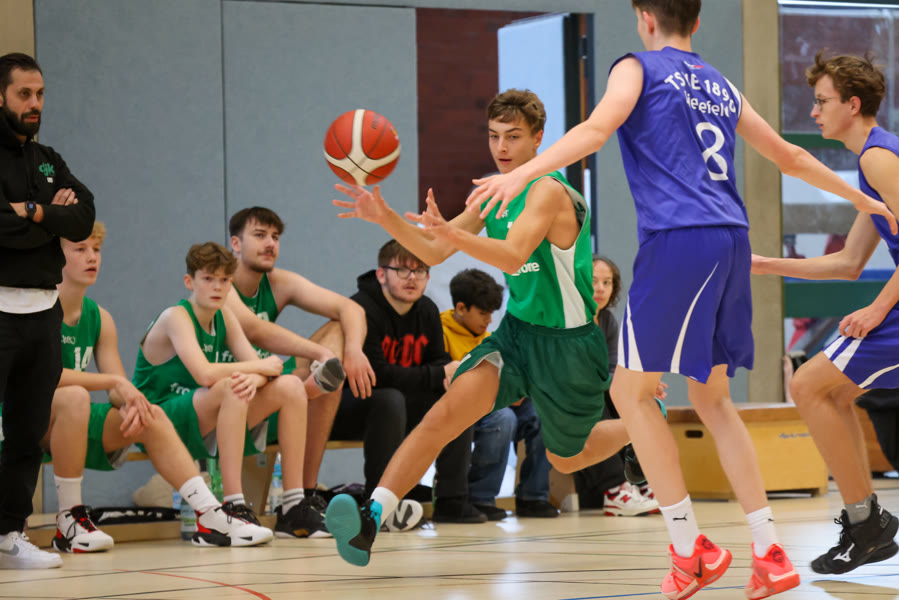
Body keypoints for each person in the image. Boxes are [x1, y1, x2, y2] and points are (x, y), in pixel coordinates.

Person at [464, 3, 897, 598]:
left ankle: (690, 550)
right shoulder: (719, 83)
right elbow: (788, 156)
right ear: (694, 21)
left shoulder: (636, 67)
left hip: (679, 238)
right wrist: (858, 197)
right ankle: (769, 552)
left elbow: (595, 130)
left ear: (644, 16)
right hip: (731, 237)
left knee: (630, 394)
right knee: (713, 398)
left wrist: (522, 173)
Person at [326, 88, 650, 568]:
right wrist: (385, 216)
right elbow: (434, 250)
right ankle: (371, 519)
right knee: (443, 416)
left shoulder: (548, 190)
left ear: (538, 139)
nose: (501, 147)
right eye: (494, 136)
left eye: (513, 136)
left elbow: (514, 254)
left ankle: (641, 425)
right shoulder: (493, 194)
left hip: (569, 344)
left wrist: (452, 235)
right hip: (517, 336)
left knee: (567, 457)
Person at [752, 51, 899, 575]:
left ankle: (867, 524)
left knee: (809, 386)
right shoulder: (871, 164)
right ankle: (866, 523)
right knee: (827, 391)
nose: (814, 112)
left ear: (852, 104)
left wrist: (878, 308)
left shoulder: (879, 158)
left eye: (821, 101)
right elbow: (848, 262)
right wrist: (764, 264)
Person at [34, 222, 243, 552]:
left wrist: (131, 402)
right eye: (80, 249)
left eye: (96, 249)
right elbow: (41, 377)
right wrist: (115, 383)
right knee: (74, 396)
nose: (92, 257)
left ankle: (210, 513)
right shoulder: (37, 308)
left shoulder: (100, 317)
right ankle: (69, 519)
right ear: (54, 255)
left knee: (150, 414)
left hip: (69, 421)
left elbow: (118, 388)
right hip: (22, 419)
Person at [133, 241, 327, 542]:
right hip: (156, 419)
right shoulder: (176, 316)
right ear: (189, 281)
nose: (217, 286)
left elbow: (269, 371)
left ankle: (293, 507)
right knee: (231, 386)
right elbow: (205, 373)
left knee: (290, 386)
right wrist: (257, 369)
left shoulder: (224, 316)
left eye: (224, 280)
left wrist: (257, 376)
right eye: (208, 278)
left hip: (203, 413)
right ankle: (233, 505)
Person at [0, 52, 95, 569]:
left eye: (39, 94)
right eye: (24, 94)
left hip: (42, 312)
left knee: (27, 431)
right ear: (0, 96)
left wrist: (32, 211)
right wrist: (50, 219)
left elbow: (83, 218)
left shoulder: (48, 159)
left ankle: (8, 533)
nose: (34, 103)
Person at [226, 206, 374, 506]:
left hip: (267, 383)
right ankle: (308, 390)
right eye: (260, 235)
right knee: (326, 367)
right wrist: (319, 353)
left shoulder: (278, 281)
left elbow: (351, 309)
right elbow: (255, 330)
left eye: (275, 237)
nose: (270, 243)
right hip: (228, 395)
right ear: (236, 244)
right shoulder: (219, 284)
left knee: (333, 358)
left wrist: (354, 351)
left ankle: (305, 496)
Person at [329, 240, 480, 525]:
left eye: (420, 271)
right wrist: (438, 373)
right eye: (402, 270)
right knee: (389, 399)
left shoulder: (427, 310)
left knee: (455, 402)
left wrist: (448, 376)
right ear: (381, 274)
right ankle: (377, 504)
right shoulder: (362, 308)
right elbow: (376, 374)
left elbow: (438, 361)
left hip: (401, 403)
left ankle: (451, 499)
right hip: (351, 404)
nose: (412, 278)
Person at [442, 268, 558, 520]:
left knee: (543, 413)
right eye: (483, 313)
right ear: (461, 308)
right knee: (503, 418)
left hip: (493, 401)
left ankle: (533, 496)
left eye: (492, 313)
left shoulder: (491, 338)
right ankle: (479, 497)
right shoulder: (441, 331)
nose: (489, 320)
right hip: (465, 407)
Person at [573, 256, 660, 517]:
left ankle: (640, 481)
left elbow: (612, 369)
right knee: (595, 402)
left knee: (639, 401)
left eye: (607, 282)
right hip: (568, 394)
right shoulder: (569, 319)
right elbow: (575, 373)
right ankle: (615, 490)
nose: (600, 288)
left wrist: (641, 384)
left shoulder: (608, 320)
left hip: (596, 389)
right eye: (593, 281)